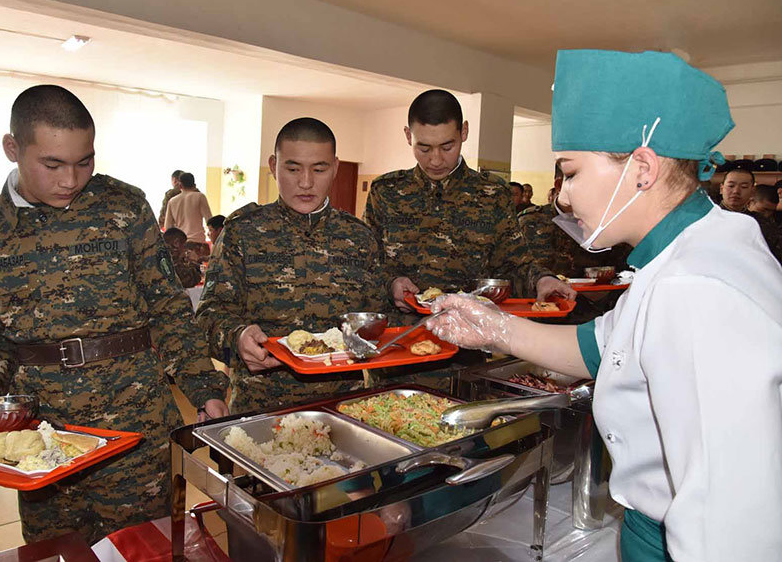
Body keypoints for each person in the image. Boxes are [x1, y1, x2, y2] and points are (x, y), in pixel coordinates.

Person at [426, 50, 782, 562]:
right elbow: (601, 347)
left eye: (570, 173)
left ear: (641, 167)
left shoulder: (695, 287)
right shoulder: (689, 252)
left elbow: (729, 521)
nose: (564, 199)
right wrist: (496, 329)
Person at [0, 85, 229, 545]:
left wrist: (203, 386)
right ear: (12, 148)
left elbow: (168, 307)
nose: (71, 179)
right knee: (59, 552)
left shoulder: (124, 206)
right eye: (52, 164)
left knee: (145, 548)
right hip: (43, 434)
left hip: (134, 425)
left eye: (84, 161)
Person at [363, 89, 573, 387]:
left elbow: (514, 264)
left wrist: (542, 280)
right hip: (397, 354)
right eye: (424, 148)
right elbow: (366, 266)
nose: (435, 160)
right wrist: (391, 283)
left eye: (447, 146)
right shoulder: (386, 192)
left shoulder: (492, 195)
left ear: (464, 132)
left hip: (465, 354)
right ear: (408, 135)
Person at [196, 117, 388, 413]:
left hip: (343, 408)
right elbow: (209, 315)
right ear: (273, 165)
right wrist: (237, 337)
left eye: (319, 169)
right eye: (293, 168)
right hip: (259, 409)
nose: (306, 182)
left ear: (335, 167)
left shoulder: (359, 238)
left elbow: (377, 321)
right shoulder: (243, 232)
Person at [720, 169, 781, 262]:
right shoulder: (706, 217)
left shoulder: (760, 222)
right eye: (731, 186)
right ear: (721, 189)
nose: (736, 191)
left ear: (752, 191)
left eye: (744, 187)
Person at [164, 172, 212, 256]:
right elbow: (210, 221)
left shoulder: (172, 201)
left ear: (180, 186)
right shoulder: (200, 197)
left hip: (180, 244)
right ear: (194, 185)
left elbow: (168, 227)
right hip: (198, 243)